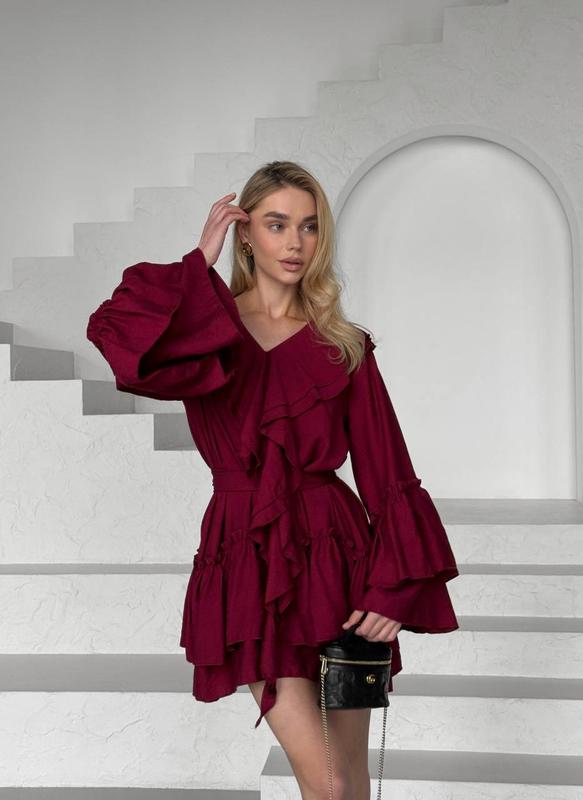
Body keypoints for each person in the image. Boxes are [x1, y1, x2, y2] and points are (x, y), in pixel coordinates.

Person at [86, 160, 459, 800]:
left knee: (349, 784)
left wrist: (393, 588)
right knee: (329, 782)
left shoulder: (343, 344)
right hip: (248, 557)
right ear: (246, 234)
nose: (295, 242)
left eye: (309, 227)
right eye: (277, 224)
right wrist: (198, 263)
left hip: (337, 556)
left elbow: (388, 470)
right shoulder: (205, 335)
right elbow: (122, 342)